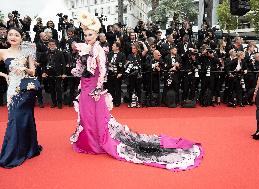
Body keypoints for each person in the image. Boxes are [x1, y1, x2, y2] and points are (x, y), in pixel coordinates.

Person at [70, 11, 203, 171]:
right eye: (85, 34)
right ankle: (87, 142)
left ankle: (96, 143)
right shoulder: (83, 48)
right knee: (85, 116)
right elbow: (78, 70)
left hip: (95, 90)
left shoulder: (99, 49)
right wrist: (76, 69)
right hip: (84, 88)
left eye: (90, 34)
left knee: (96, 117)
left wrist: (98, 88)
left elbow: (103, 71)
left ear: (97, 34)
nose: (87, 37)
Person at [0, 27, 42, 168]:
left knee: (25, 119)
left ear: (21, 38)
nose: (13, 37)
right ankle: (14, 152)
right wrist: (4, 75)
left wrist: (24, 69)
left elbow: (33, 71)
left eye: (16, 35)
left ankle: (28, 149)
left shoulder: (27, 52)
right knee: (14, 119)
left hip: (26, 89)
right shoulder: (2, 52)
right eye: (10, 34)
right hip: (12, 89)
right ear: (7, 37)